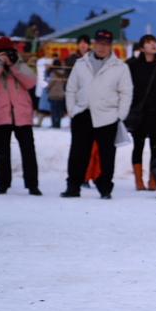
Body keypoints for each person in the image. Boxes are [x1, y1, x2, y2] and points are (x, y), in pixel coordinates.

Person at [62, 29, 133, 199]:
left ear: (111, 46)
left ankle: (105, 188)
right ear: (94, 44)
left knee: (107, 155)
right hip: (82, 113)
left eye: (106, 44)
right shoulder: (81, 63)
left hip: (108, 116)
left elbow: (126, 92)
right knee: (78, 153)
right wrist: (72, 110)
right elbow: (71, 88)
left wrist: (120, 115)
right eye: (100, 43)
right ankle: (73, 186)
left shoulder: (120, 67)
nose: (102, 47)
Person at [0, 37, 41, 196]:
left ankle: (32, 184)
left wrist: (14, 65)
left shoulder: (19, 63)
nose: (6, 55)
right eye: (2, 53)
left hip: (22, 113)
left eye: (8, 52)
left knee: (28, 150)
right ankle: (3, 184)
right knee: (2, 152)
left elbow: (31, 81)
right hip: (0, 114)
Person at [125, 34, 156, 191]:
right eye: (148, 42)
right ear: (141, 47)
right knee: (138, 146)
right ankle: (138, 180)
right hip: (138, 115)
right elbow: (125, 90)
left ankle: (153, 180)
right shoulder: (131, 66)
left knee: (155, 147)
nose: (153, 45)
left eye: (154, 42)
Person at [46, 59, 66, 129]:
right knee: (59, 110)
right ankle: (58, 123)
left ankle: (54, 123)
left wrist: (47, 88)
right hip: (61, 93)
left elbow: (51, 83)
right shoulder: (63, 73)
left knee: (53, 110)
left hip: (53, 93)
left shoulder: (53, 73)